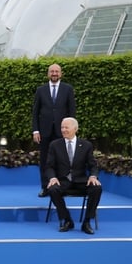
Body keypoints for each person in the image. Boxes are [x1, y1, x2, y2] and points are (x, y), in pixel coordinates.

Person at [44, 117, 102, 234]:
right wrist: (53, 178)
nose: (63, 130)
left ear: (75, 129)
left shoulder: (86, 145)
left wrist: (93, 176)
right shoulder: (54, 145)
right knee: (52, 189)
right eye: (62, 127)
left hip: (80, 181)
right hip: (62, 181)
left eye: (66, 127)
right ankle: (67, 220)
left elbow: (93, 165)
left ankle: (86, 222)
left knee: (96, 188)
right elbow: (49, 166)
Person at [32, 63, 75, 197]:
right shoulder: (41, 90)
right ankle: (46, 188)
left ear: (60, 74)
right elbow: (35, 112)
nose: (54, 74)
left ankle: (62, 188)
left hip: (62, 132)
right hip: (44, 132)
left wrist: (71, 130)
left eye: (57, 71)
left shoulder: (68, 89)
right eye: (52, 71)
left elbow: (71, 111)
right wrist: (35, 131)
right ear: (48, 74)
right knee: (45, 160)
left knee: (63, 160)